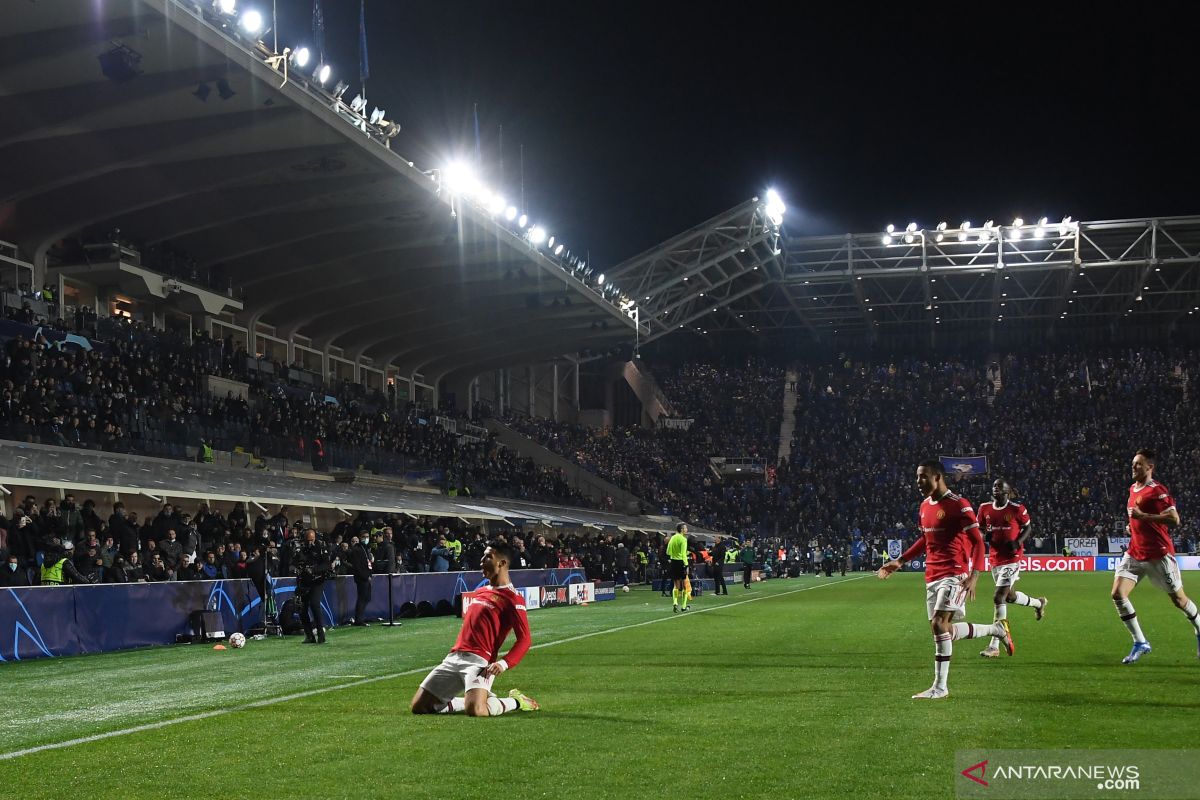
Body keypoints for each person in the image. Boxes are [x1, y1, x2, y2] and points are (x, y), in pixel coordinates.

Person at [878, 460, 1013, 700]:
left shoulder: (958, 505)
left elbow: (978, 542)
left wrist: (974, 575)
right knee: (944, 631)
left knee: (939, 624)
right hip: (932, 574)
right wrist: (900, 561)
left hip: (955, 573)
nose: (918, 482)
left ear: (938, 476)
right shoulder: (924, 506)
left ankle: (940, 687)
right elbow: (925, 540)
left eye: (923, 477)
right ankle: (996, 629)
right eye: (917, 477)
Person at [410, 542, 538, 717]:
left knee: (477, 710)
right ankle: (475, 697)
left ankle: (516, 701)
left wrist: (503, 663)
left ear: (502, 563)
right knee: (419, 707)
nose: (481, 561)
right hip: (454, 657)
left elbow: (525, 639)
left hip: (480, 663)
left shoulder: (512, 598)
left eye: (487, 557)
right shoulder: (479, 592)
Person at [1112, 449, 1200, 663]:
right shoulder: (1133, 489)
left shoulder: (1157, 490)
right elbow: (1137, 519)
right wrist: (1132, 526)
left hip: (1158, 554)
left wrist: (1144, 517)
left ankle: (1199, 628)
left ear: (1150, 467)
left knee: (1179, 600)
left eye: (1138, 464)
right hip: (1135, 552)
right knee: (1118, 594)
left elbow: (1174, 519)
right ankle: (1140, 642)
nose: (1133, 467)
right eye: (1133, 463)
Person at [977, 478, 1046, 658]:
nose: (996, 489)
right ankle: (1039, 603)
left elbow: (1028, 527)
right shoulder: (984, 508)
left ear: (1007, 491)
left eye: (999, 487)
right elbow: (981, 529)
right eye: (994, 486)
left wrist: (1018, 542)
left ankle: (994, 645)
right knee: (1010, 596)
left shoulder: (1017, 509)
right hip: (995, 558)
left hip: (1013, 558)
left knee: (998, 596)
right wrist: (985, 535)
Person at [293, 529, 336, 644]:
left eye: (312, 540)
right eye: (308, 540)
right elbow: (295, 563)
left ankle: (321, 636)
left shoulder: (321, 548)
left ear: (315, 538)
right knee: (302, 608)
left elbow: (326, 565)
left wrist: (313, 569)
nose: (310, 542)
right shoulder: (301, 549)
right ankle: (309, 635)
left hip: (317, 581)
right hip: (304, 581)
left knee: (314, 604)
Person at [347, 534, 374, 626]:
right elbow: (357, 566)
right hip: (361, 578)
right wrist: (366, 576)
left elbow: (368, 563)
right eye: (364, 537)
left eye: (367, 536)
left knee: (367, 598)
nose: (366, 538)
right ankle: (359, 619)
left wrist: (370, 575)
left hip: (367, 577)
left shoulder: (365, 548)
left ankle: (360, 617)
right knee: (362, 598)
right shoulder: (356, 550)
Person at [666, 523, 690, 612]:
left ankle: (675, 602)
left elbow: (668, 552)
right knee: (684, 585)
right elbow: (683, 554)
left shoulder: (672, 538)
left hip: (673, 562)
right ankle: (683, 606)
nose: (687, 529)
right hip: (681, 562)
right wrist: (686, 565)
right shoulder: (683, 539)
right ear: (682, 529)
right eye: (685, 528)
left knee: (676, 585)